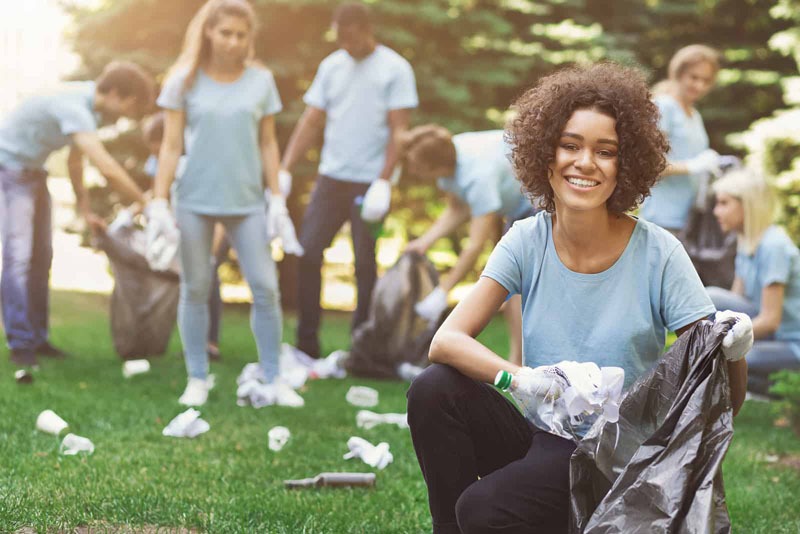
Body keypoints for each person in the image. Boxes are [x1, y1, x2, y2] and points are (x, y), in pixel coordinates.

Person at [406, 62, 750, 534]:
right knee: (433, 389)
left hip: (617, 458)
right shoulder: (526, 239)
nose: (584, 162)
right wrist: (524, 380)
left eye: (604, 151)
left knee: (484, 510)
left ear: (624, 166)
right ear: (546, 156)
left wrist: (735, 354)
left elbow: (719, 401)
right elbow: (446, 342)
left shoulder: (660, 253)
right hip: (544, 433)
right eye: (570, 145)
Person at [149, 0, 303, 406]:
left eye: (241, 34)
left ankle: (273, 378)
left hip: (247, 203)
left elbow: (268, 143)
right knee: (195, 288)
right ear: (208, 33)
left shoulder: (260, 82)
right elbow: (169, 146)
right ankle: (197, 378)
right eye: (225, 33)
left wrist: (277, 199)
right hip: (195, 201)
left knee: (266, 289)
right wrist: (159, 201)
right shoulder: (182, 81)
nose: (233, 42)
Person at [280, 2, 418, 359]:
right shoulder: (332, 66)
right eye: (339, 37)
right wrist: (284, 168)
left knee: (365, 263)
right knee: (307, 251)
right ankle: (306, 345)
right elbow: (311, 121)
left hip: (369, 183)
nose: (345, 44)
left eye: (351, 37)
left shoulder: (395, 69)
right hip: (331, 179)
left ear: (366, 30)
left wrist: (384, 182)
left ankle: (362, 345)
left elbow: (399, 131)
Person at [0, 61, 153, 367]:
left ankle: (38, 339)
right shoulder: (74, 106)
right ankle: (20, 344)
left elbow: (75, 161)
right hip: (10, 170)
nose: (126, 115)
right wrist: (150, 204)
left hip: (34, 172)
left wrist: (85, 210)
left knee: (43, 256)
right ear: (117, 94)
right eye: (130, 106)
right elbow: (106, 167)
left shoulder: (89, 109)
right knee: (18, 257)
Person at [401, 125, 534, 365]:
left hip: (536, 201)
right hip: (517, 205)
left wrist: (443, 291)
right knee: (515, 287)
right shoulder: (450, 163)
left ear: (433, 166)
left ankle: (518, 361)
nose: (413, 171)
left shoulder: (477, 174)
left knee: (515, 284)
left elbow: (475, 245)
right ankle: (518, 360)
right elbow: (457, 208)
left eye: (417, 166)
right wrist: (425, 242)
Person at [706, 169, 800, 394]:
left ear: (746, 204)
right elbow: (735, 301)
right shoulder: (747, 240)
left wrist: (722, 344)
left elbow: (770, 320)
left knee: (728, 361)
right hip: (771, 337)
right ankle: (760, 387)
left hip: (791, 343)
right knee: (711, 301)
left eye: (724, 203)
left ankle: (776, 389)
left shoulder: (773, 246)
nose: (715, 211)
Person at [141, 113, 224, 361]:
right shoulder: (158, 162)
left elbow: (217, 206)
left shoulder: (197, 163)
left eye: (157, 149)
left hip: (210, 227)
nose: (156, 156)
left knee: (209, 280)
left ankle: (210, 342)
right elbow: (156, 191)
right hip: (179, 228)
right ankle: (193, 341)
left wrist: (214, 246)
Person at [640, 44, 724, 234]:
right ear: (678, 74)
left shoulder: (694, 115)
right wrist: (691, 166)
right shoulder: (663, 106)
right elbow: (649, 164)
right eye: (694, 77)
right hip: (663, 219)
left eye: (706, 80)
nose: (699, 85)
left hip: (691, 219)